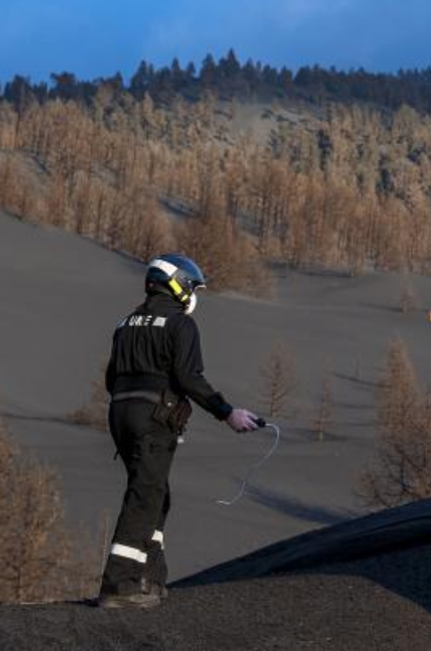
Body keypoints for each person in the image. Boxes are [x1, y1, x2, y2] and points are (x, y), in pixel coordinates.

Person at [97, 254, 261, 609]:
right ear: (178, 284)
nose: (193, 294)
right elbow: (189, 378)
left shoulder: (125, 323)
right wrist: (227, 412)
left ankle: (151, 578)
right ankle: (119, 585)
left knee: (155, 493)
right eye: (192, 286)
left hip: (119, 415)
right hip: (153, 418)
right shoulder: (180, 325)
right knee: (145, 494)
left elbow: (110, 379)